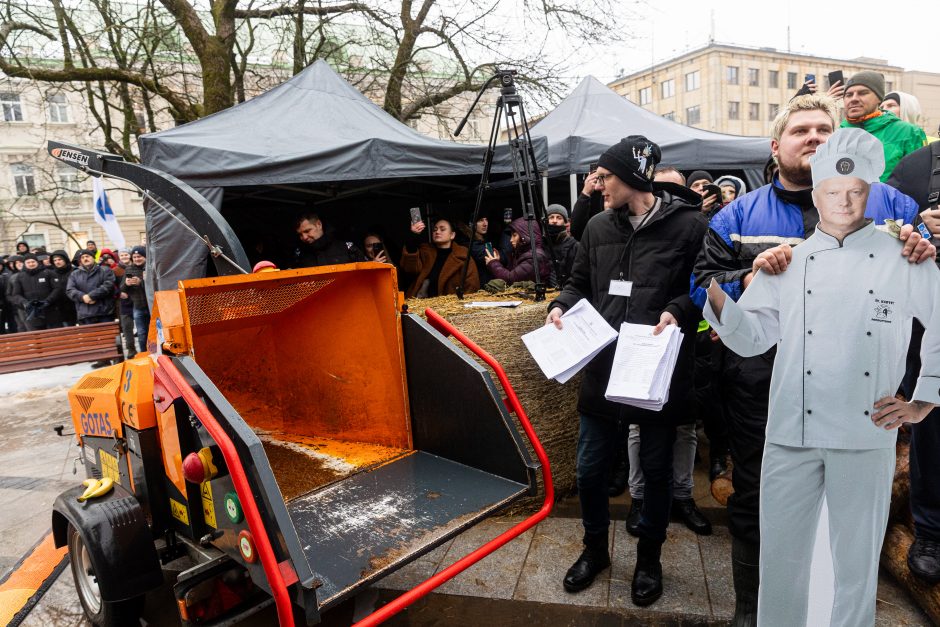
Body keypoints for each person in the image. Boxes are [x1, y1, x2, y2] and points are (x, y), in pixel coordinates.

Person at [691, 93, 936, 625]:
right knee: (763, 514)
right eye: (801, 130)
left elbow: (930, 291)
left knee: (851, 541)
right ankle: (753, 611)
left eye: (824, 129)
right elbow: (701, 288)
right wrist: (743, 280)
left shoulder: (892, 206)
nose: (815, 138)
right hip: (768, 393)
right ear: (777, 146)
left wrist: (928, 244)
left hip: (862, 406)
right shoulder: (738, 214)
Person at [547, 135, 707, 606]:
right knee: (591, 469)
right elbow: (579, 282)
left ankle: (648, 561)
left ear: (634, 178)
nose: (596, 186)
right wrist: (561, 305)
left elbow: (701, 287)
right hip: (603, 366)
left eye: (604, 177)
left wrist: (678, 309)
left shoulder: (691, 226)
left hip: (656, 369)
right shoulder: (597, 227)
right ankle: (594, 550)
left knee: (655, 473)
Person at [623, 166, 714, 537]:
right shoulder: (636, 227)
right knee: (636, 425)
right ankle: (639, 496)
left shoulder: (697, 226)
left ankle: (683, 495)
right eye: (660, 188)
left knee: (686, 427)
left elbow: (706, 279)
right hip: (643, 340)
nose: (667, 196)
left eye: (674, 189)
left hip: (689, 341)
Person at [887, 143, 940, 584]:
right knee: (934, 432)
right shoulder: (918, 165)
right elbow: (874, 227)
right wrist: (914, 229)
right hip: (931, 325)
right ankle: (931, 533)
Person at [840, 71, 926, 181]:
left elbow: (919, 181)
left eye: (862, 93)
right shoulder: (836, 134)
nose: (854, 99)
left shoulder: (909, 132)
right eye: (849, 95)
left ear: (879, 99)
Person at [401, 218, 479, 298]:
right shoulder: (425, 252)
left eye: (442, 229)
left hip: (450, 307)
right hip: (420, 303)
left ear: (452, 235)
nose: (437, 232)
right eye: (435, 230)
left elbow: (472, 285)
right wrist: (413, 236)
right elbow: (410, 269)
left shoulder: (463, 255)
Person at [484, 217, 551, 286]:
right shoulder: (521, 253)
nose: (511, 240)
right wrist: (497, 261)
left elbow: (510, 279)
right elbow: (513, 273)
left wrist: (493, 264)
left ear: (525, 236)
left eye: (514, 235)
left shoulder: (534, 257)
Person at [8, 253, 63, 331]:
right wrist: (25, 303)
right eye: (28, 262)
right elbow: (16, 294)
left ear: (37, 262)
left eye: (33, 262)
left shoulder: (48, 273)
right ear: (25, 264)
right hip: (32, 313)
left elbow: (57, 289)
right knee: (38, 338)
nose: (31, 264)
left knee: (55, 336)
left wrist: (47, 301)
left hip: (51, 311)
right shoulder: (20, 277)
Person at [293, 213, 366, 267]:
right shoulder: (299, 254)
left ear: (319, 224)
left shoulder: (347, 247)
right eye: (300, 234)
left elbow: (365, 274)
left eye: (307, 231)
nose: (304, 237)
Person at [66, 250, 116, 325]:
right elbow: (70, 290)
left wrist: (91, 296)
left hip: (104, 313)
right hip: (85, 314)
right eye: (82, 257)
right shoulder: (74, 274)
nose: (85, 259)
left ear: (93, 258)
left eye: (87, 256)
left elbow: (108, 286)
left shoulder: (105, 270)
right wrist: (83, 297)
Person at [121, 246, 149, 354]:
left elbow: (154, 284)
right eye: (135, 257)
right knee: (141, 333)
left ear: (145, 257)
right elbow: (122, 289)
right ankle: (143, 354)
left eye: (139, 256)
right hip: (138, 306)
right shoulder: (129, 269)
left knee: (154, 333)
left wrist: (141, 283)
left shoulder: (150, 267)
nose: (137, 259)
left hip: (152, 305)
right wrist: (126, 284)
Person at [545, 204, 578, 290]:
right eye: (551, 217)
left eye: (559, 218)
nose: (554, 221)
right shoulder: (541, 244)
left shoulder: (574, 245)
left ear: (565, 222)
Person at [48, 250, 76, 327]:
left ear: (65, 259)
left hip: (75, 307)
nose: (57, 262)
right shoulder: (51, 274)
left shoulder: (74, 271)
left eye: (59, 259)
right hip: (60, 310)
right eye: (55, 260)